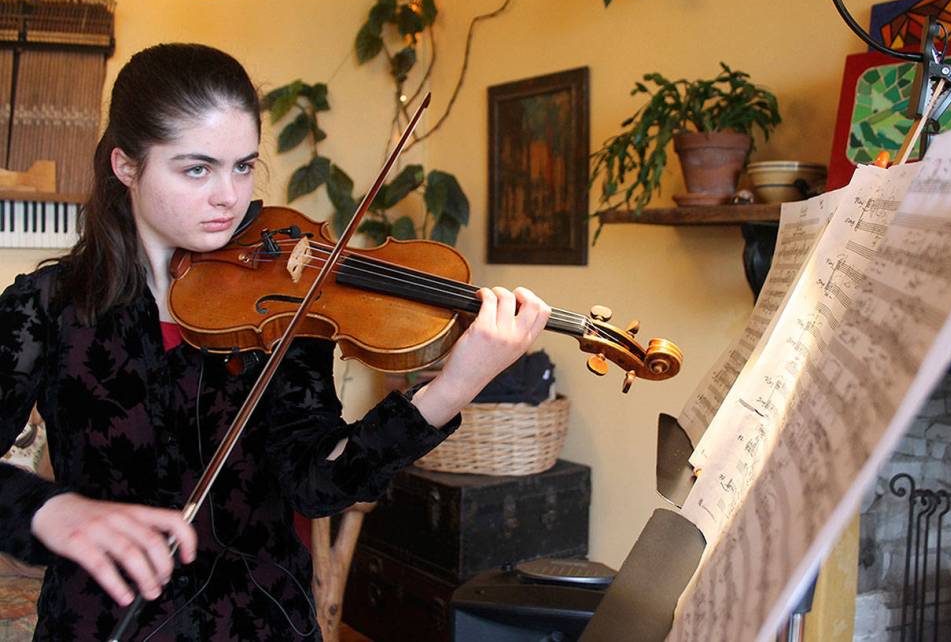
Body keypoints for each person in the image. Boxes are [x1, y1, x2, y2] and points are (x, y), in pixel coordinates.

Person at [0, 43, 551, 640]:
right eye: (197, 169)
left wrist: (453, 387)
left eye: (243, 166)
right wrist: (50, 510)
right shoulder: (47, 307)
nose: (229, 196)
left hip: (262, 622)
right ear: (126, 166)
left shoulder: (283, 299)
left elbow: (317, 483)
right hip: (102, 624)